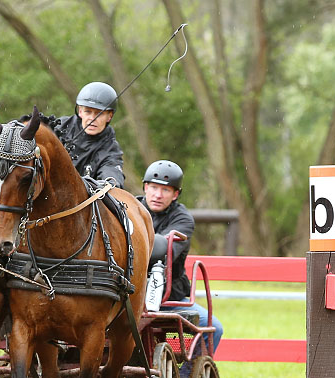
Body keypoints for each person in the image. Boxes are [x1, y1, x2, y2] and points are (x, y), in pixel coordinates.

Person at [137, 160, 223, 360]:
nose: (158, 195)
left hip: (168, 299)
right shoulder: (129, 208)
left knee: (214, 328)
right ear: (145, 187)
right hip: (127, 294)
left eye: (165, 190)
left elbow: (163, 253)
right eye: (154, 187)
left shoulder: (182, 219)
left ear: (175, 194)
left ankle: (185, 376)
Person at [51, 81, 126, 187]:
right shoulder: (58, 127)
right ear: (80, 111)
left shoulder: (110, 150)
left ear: (109, 116)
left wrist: (108, 184)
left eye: (99, 114)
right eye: (88, 111)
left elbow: (112, 177)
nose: (92, 118)